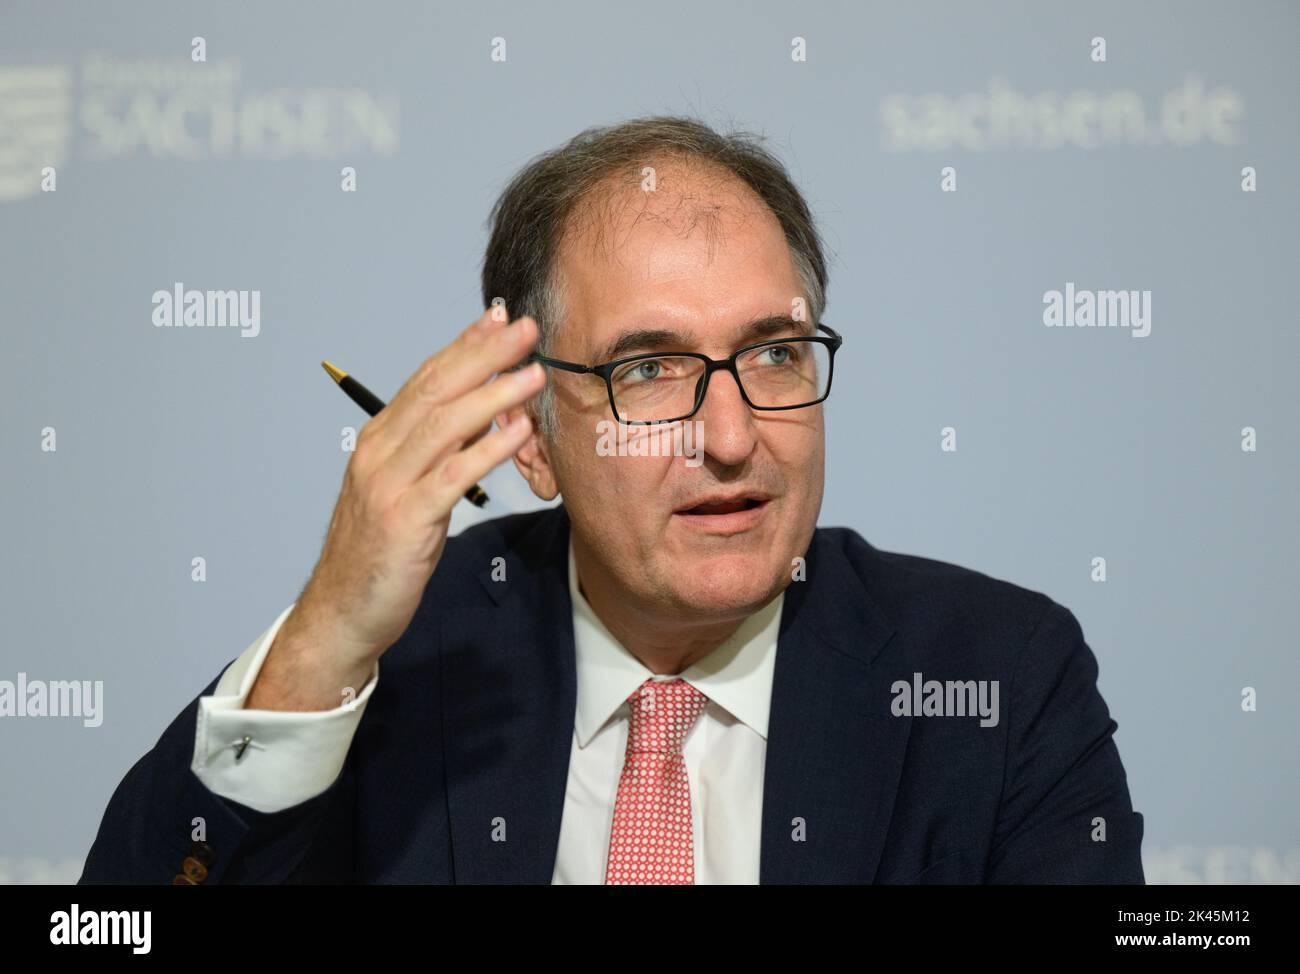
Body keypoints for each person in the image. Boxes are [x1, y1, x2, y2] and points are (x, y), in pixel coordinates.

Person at [79, 115, 1144, 884]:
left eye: (773, 353)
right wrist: (324, 640)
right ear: (533, 440)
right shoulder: (406, 662)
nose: (731, 438)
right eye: (648, 370)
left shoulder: (993, 676)